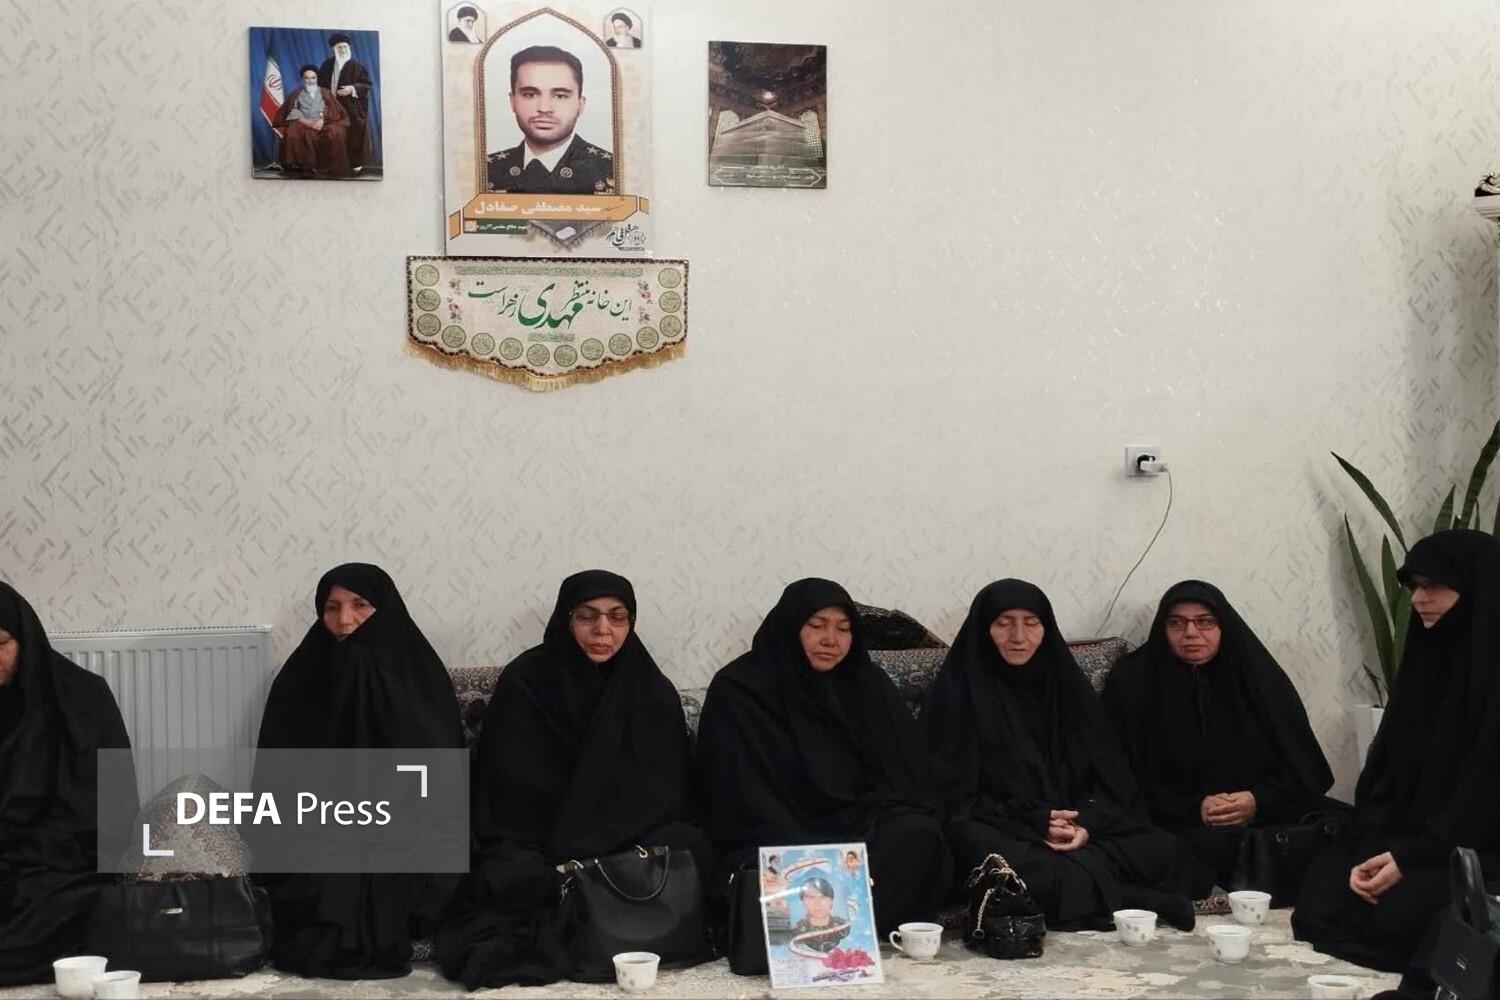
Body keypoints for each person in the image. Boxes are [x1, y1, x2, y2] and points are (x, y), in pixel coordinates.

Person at [436, 570, 708, 990]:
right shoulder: (527, 681)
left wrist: (604, 838)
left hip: (628, 838)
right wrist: (572, 843)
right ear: (566, 620)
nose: (603, 630)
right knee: (510, 874)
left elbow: (667, 789)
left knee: (692, 845)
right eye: (587, 616)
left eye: (617, 617)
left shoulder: (650, 689)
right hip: (542, 837)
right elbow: (509, 785)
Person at [923, 579, 1196, 931]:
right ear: (983, 630)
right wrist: (1032, 822)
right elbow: (950, 797)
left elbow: (1112, 780)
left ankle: (1085, 889)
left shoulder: (1067, 688)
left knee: (1164, 850)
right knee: (989, 855)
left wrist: (1086, 824)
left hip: (1077, 825)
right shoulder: (957, 693)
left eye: (1031, 623)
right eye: (1004, 623)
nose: (1018, 637)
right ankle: (1134, 899)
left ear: (1047, 629)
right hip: (1003, 827)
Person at [694, 578, 953, 935]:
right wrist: (812, 847)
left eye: (844, 629)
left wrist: (863, 824)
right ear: (790, 626)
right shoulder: (740, 689)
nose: (831, 640)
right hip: (774, 828)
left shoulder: (866, 683)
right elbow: (734, 790)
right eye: (817, 626)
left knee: (916, 835)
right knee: (776, 864)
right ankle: (829, 932)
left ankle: (853, 933)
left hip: (856, 824)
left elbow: (903, 773)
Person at [1294, 529, 1500, 975]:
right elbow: (1389, 778)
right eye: (1414, 587)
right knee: (1323, 892)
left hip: (1475, 850)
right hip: (1411, 838)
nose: (1419, 599)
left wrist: (1413, 857)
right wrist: (1380, 846)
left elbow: (1482, 802)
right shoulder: (1427, 660)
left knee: (1410, 915)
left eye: (1434, 586)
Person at [255, 563, 464, 979]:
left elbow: (439, 779)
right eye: (332, 608)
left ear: (384, 610)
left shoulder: (417, 673)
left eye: (360, 605)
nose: (345, 621)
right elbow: (278, 779)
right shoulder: (301, 675)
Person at [1103, 580, 1338, 896]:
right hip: (1175, 821)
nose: (1190, 633)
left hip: (1266, 814)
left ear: (1223, 625)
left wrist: (1256, 801)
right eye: (1177, 623)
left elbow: (1306, 768)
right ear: (1162, 628)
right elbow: (1118, 775)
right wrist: (1193, 808)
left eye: (1205, 622)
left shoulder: (1255, 676)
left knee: (1353, 827)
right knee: (1167, 849)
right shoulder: (1134, 682)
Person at [0, 582, 138, 986]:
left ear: (26, 640)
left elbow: (117, 810)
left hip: (63, 868)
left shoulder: (83, 697)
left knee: (83, 910)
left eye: (2, 644)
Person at [486, 45, 614, 195]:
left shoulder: (611, 170)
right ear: (512, 101)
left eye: (560, 96)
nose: (544, 108)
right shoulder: (486, 170)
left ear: (580, 105)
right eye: (529, 94)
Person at [271, 65, 351, 176]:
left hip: (325, 121)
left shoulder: (325, 92)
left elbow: (334, 110)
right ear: (303, 79)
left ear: (317, 78)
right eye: (307, 78)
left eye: (313, 78)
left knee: (336, 131)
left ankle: (330, 167)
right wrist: (307, 122)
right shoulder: (296, 93)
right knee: (293, 131)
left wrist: (322, 119)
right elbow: (292, 110)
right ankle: (300, 166)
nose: (310, 81)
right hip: (304, 122)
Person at [317, 33, 374, 174]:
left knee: (355, 133)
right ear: (334, 49)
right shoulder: (326, 65)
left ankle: (356, 164)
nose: (342, 50)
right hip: (331, 107)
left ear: (348, 48)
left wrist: (352, 88)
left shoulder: (357, 66)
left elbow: (366, 85)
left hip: (352, 108)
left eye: (344, 47)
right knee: (331, 134)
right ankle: (332, 164)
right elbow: (320, 86)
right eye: (339, 47)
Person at [788, 877, 848, 953]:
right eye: (811, 898)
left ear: (831, 900)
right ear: (803, 902)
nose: (817, 903)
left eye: (823, 897)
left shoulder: (845, 927)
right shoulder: (796, 931)